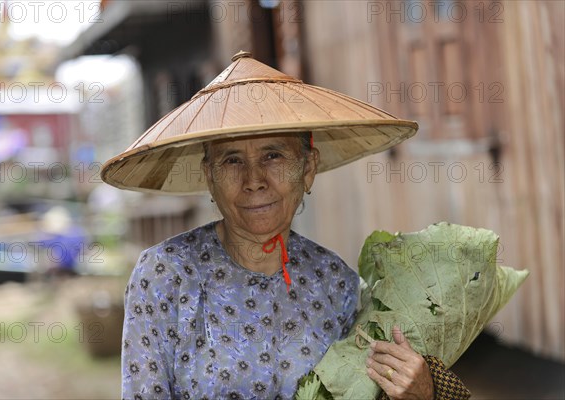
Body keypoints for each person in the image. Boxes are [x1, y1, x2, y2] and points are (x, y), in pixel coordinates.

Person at [101, 51, 470, 399]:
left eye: (273, 156)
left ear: (307, 169)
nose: (254, 180)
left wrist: (422, 391)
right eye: (231, 160)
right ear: (209, 178)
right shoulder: (166, 274)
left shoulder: (333, 281)